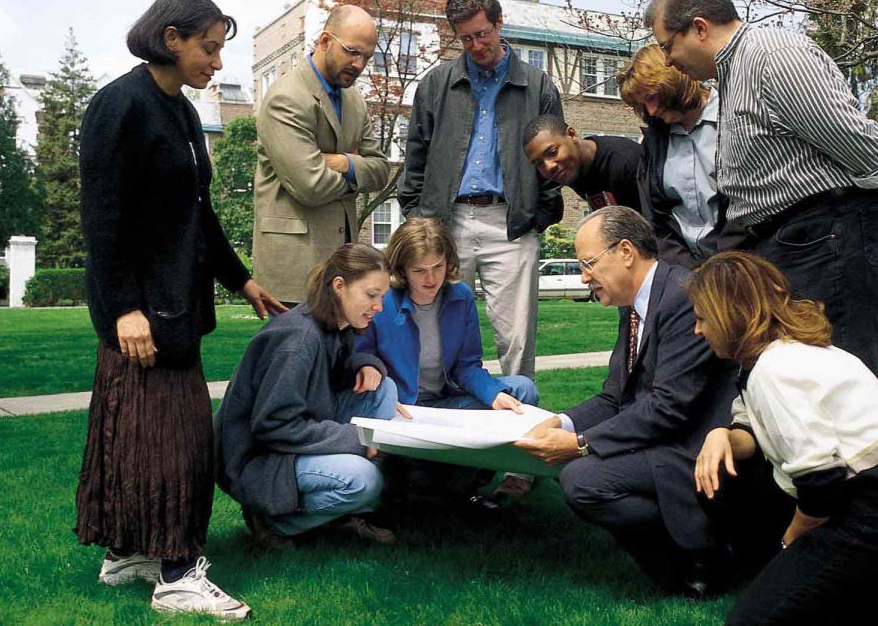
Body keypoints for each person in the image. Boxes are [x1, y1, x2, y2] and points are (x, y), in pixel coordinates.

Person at [75, 0, 285, 621]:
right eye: (209, 48)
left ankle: (128, 555)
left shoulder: (184, 113)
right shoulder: (119, 107)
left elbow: (198, 215)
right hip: (143, 316)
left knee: (139, 437)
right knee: (181, 444)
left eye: (219, 50)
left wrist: (242, 280)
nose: (217, 63)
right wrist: (123, 311)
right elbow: (101, 223)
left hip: (177, 308)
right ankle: (177, 575)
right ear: (171, 38)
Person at [645, 0, 878, 382]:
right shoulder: (735, 71)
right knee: (800, 388)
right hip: (797, 243)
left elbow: (861, 143)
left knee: (839, 387)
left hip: (829, 242)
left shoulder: (772, 56)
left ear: (699, 28)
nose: (668, 61)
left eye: (668, 46)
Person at [688, 251, 878, 626]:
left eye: (703, 318)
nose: (697, 330)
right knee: (724, 483)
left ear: (731, 315)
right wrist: (721, 434)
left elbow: (822, 485)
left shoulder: (775, 370)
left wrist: (789, 542)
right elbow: (752, 425)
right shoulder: (779, 353)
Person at [515, 206, 736, 597]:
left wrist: (581, 444)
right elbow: (616, 395)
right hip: (663, 436)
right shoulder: (636, 303)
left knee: (583, 480)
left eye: (588, 263)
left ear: (626, 252)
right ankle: (681, 564)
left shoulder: (682, 297)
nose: (584, 276)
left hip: (694, 445)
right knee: (584, 474)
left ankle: (703, 550)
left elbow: (670, 406)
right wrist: (561, 422)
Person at [399, 0, 564, 380]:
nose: (475, 45)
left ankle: (523, 425)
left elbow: (556, 158)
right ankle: (435, 418)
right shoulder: (435, 85)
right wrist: (416, 216)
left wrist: (537, 215)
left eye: (482, 33)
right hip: (445, 224)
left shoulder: (538, 86)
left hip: (512, 224)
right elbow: (416, 154)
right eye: (466, 38)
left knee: (517, 340)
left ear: (499, 23)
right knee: (433, 330)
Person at [215, 244, 410, 550]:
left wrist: (366, 364)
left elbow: (334, 372)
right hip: (259, 460)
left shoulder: (332, 322)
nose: (379, 307)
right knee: (364, 480)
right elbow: (274, 425)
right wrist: (360, 439)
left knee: (384, 389)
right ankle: (273, 521)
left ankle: (348, 514)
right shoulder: (298, 342)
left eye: (382, 297)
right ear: (339, 286)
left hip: (295, 437)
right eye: (372, 295)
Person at [355, 217, 540, 510]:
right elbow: (362, 356)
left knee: (521, 389)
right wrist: (373, 378)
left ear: (448, 262)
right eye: (419, 270)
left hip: (446, 403)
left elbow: (466, 365)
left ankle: (510, 477)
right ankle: (432, 478)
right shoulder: (384, 301)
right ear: (401, 269)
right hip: (402, 409)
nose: (431, 279)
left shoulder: (460, 296)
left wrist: (493, 394)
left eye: (438, 267)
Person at [253, 5, 391, 304]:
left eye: (367, 56)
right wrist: (357, 170)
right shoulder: (286, 97)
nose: (359, 64)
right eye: (352, 51)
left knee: (342, 352)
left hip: (342, 266)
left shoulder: (355, 101)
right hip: (294, 268)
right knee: (296, 352)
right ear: (325, 41)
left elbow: (381, 170)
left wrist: (343, 162)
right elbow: (310, 186)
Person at [616, 44, 748, 268]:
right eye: (642, 104)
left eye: (652, 97)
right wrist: (688, 273)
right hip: (686, 274)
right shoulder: (654, 142)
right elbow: (656, 217)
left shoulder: (737, 118)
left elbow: (750, 202)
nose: (651, 111)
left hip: (746, 265)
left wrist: (723, 266)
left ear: (672, 81)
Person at [521, 114, 643, 212]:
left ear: (572, 135)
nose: (549, 167)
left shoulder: (626, 163)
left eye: (553, 152)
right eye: (539, 163)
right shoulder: (574, 168)